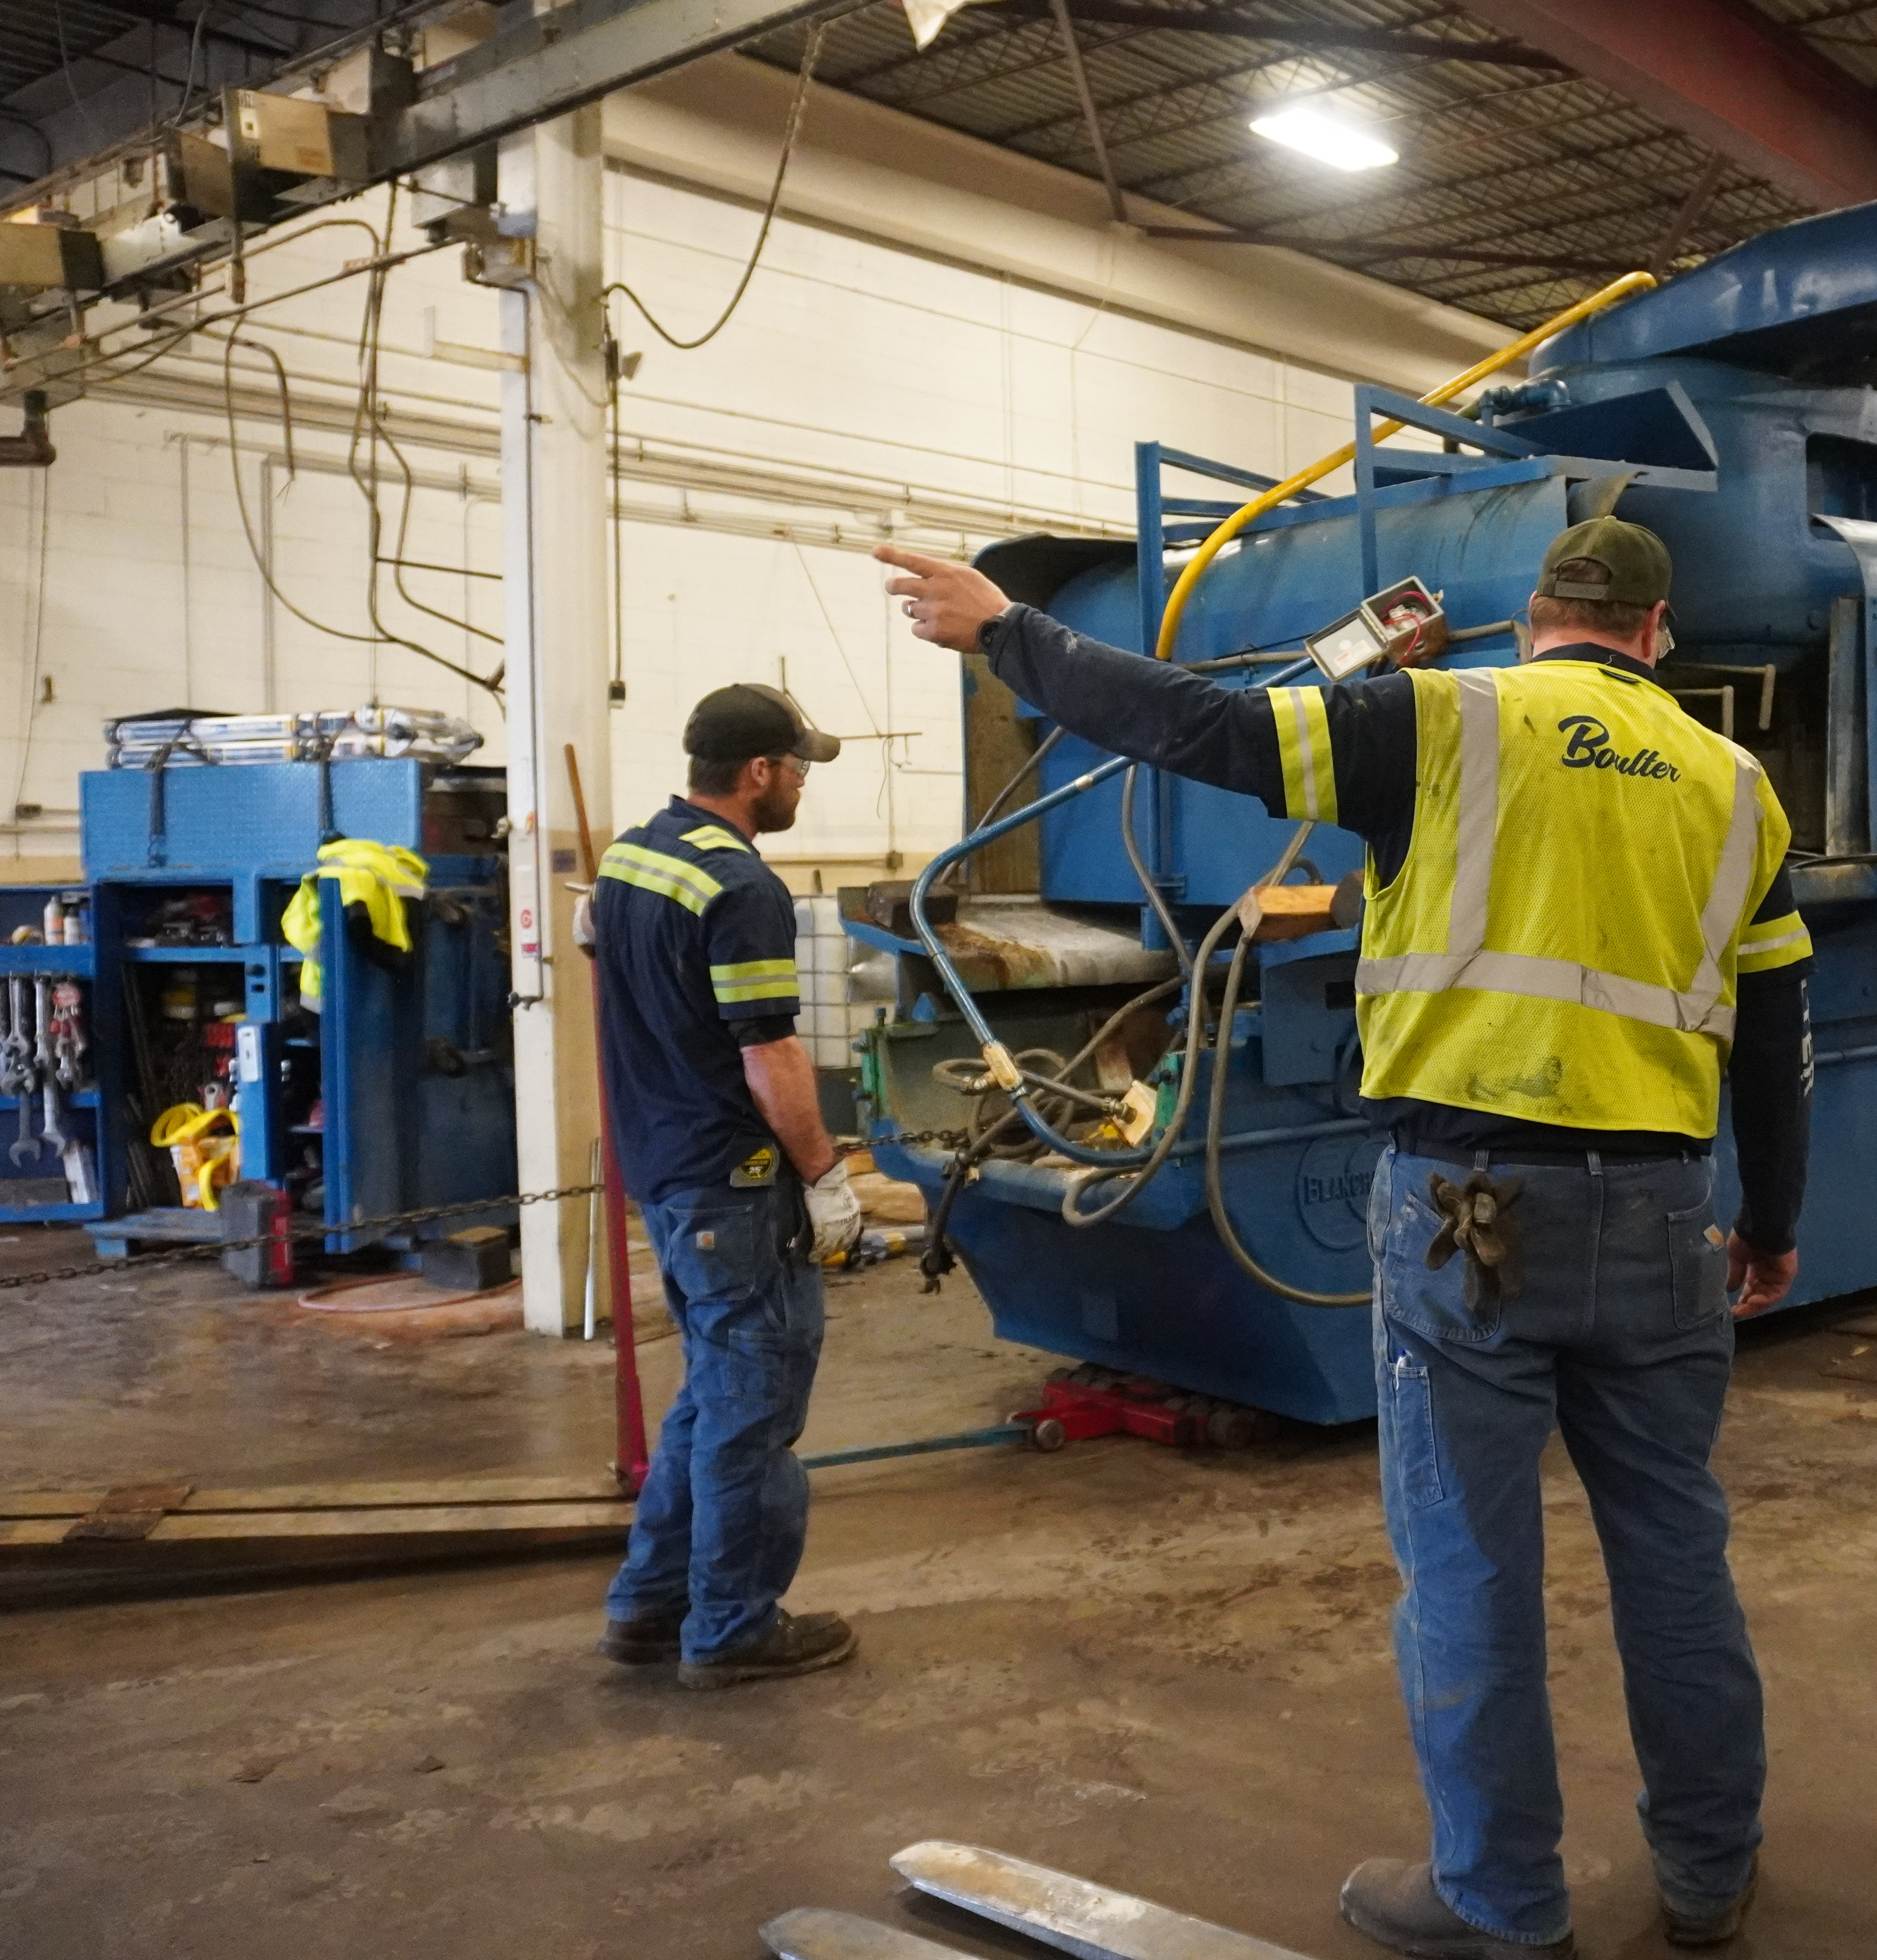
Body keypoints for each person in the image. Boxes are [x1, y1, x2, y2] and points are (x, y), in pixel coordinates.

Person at [875, 518, 1812, 1958]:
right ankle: (1708, 1876)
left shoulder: (1441, 717)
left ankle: (1503, 1901)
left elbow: (1201, 726)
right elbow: (1775, 1038)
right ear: (1656, 630)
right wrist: (1775, 1227)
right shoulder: (1739, 784)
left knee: (1472, 1571)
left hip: (1467, 1215)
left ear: (1536, 612)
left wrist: (1010, 630)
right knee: (1677, 1556)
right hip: (1665, 1217)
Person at [590, 682, 865, 1691]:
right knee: (752, 1414)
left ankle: (648, 1605)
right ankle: (733, 1629)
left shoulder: (634, 853)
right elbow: (770, 1053)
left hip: (663, 1174)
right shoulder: (743, 889)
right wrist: (825, 1176)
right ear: (758, 774)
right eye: (798, 767)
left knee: (707, 1404)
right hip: (732, 1185)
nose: (801, 782)